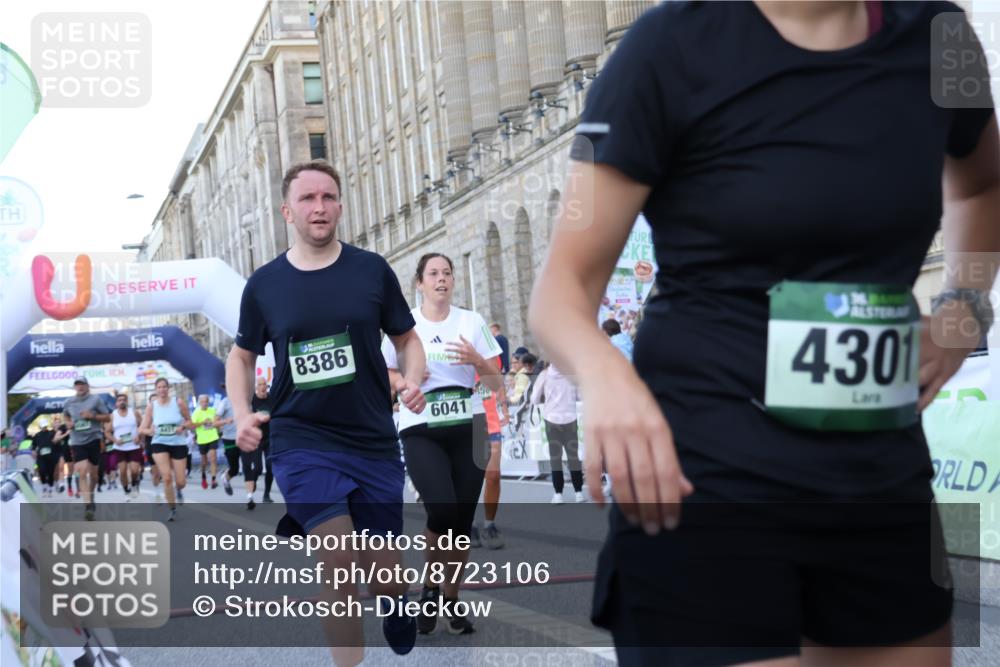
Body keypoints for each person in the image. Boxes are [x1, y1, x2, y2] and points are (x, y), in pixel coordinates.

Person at [529, 2, 997, 665]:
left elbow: (982, 185)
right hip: (705, 476)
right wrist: (606, 375)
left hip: (881, 480)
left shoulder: (940, 37)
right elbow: (560, 290)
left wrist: (963, 311)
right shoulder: (666, 49)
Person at [226, 159, 427, 664]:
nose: (320, 207)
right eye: (308, 199)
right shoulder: (265, 284)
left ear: (339, 204)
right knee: (337, 562)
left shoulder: (370, 269)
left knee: (384, 567)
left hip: (372, 437)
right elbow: (241, 356)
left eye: (328, 197)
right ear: (287, 211)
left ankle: (395, 597)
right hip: (302, 438)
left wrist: (413, 380)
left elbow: (407, 338)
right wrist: (241, 413)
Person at [383, 252, 503, 635]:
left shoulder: (472, 321)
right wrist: (405, 383)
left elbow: (498, 382)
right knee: (442, 511)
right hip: (421, 425)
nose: (442, 279)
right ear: (419, 282)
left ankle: (447, 596)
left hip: (470, 424)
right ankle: (432, 587)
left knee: (462, 524)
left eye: (447, 273)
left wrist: (476, 360)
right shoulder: (406, 326)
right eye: (433, 273)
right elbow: (385, 371)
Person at [139, 377, 193, 521]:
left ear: (168, 389)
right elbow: (142, 428)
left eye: (164, 387)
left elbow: (189, 421)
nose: (162, 389)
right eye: (159, 387)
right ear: (156, 390)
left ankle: (178, 489)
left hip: (178, 443)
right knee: (167, 477)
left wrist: (183, 427)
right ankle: (172, 509)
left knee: (181, 481)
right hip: (159, 443)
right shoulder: (152, 406)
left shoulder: (178, 402)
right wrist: (150, 431)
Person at [531, 362, 584, 504]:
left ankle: (558, 494)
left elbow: (534, 398)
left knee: (555, 458)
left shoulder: (544, 374)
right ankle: (578, 492)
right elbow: (580, 396)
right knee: (573, 457)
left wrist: (546, 397)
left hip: (551, 419)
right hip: (570, 418)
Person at [62, 377, 111, 520]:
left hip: (94, 438)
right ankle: (88, 505)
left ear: (88, 386)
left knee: (94, 475)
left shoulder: (96, 400)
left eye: (82, 384)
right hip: (77, 441)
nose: (80, 387)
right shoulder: (68, 402)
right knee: (82, 471)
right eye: (77, 384)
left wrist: (93, 415)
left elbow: (107, 417)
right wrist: (69, 422)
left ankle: (91, 494)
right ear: (75, 387)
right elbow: (65, 415)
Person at [107, 393, 143, 500]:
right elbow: (107, 432)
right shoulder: (113, 415)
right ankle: (126, 488)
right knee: (122, 471)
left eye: (124, 400)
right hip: (120, 448)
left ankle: (135, 483)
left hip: (134, 446)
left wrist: (139, 436)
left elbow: (143, 425)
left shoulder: (134, 413)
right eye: (119, 400)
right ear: (116, 403)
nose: (122, 402)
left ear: (127, 402)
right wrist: (115, 440)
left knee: (134, 470)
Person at [251, 376, 276, 503]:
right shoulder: (252, 400)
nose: (263, 387)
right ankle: (253, 482)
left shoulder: (271, 399)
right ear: (256, 387)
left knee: (270, 467)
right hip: (256, 438)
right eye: (260, 384)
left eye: (264, 384)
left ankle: (266, 494)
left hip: (269, 438)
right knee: (258, 468)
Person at [214, 384, 243, 496]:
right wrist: (225, 421)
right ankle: (226, 478)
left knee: (250, 465)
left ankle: (250, 495)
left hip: (243, 436)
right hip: (229, 439)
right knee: (234, 469)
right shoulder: (224, 402)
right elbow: (214, 423)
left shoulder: (244, 400)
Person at [191, 394, 220, 489]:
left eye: (206, 402)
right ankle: (203, 476)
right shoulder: (196, 412)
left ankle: (213, 480)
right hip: (202, 440)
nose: (204, 404)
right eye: (202, 402)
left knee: (213, 458)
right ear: (199, 403)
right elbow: (192, 425)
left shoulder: (212, 410)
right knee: (204, 461)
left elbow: (217, 421)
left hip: (213, 437)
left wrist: (218, 426)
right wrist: (202, 423)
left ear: (208, 402)